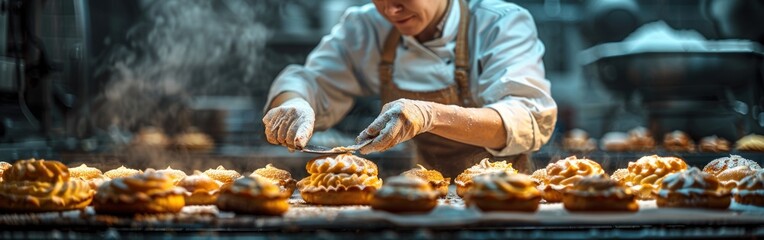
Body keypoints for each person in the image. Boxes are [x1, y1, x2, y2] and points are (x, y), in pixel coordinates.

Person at [262, 0, 557, 177]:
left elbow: (526, 118)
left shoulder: (500, 24)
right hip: (414, 199)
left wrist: (430, 114)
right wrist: (296, 103)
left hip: (502, 200)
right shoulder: (367, 26)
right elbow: (310, 81)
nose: (391, 9)